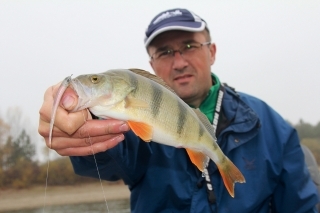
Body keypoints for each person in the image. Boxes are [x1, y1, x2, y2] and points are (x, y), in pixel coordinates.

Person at [38, 8, 319, 212]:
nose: (179, 61)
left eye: (189, 46)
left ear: (212, 51)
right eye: (164, 52)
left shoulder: (270, 125)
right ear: (151, 65)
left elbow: (302, 205)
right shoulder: (122, 120)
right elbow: (108, 159)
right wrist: (80, 127)